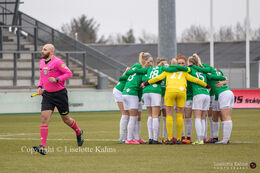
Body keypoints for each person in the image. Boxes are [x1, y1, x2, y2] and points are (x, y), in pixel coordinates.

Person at [141, 54, 209, 144]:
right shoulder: (184, 72)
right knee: (180, 115)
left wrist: (146, 83)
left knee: (169, 114)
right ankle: (179, 139)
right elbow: (194, 79)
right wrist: (206, 85)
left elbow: (157, 78)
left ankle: (169, 139)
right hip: (181, 92)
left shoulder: (167, 71)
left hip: (170, 92)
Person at [33, 44, 84, 155]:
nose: (42, 51)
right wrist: (40, 87)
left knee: (66, 119)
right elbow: (42, 77)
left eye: (44, 49)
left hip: (60, 95)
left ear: (51, 52)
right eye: (42, 49)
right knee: (44, 119)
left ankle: (78, 131)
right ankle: (43, 147)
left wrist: (57, 79)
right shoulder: (41, 62)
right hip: (47, 95)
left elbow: (69, 73)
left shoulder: (58, 62)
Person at [113, 67, 131, 144]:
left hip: (121, 91)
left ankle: (127, 136)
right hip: (119, 91)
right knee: (125, 114)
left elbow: (122, 77)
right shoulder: (137, 70)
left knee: (128, 114)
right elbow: (121, 78)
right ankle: (122, 137)